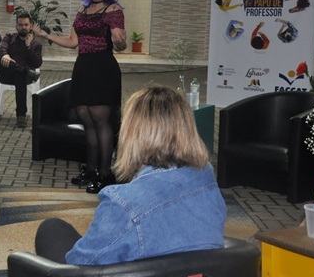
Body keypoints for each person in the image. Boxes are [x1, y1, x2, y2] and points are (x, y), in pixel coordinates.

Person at [34, 86, 225, 266]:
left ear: (133, 134)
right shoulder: (205, 177)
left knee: (51, 230)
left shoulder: (123, 202)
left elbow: (80, 265)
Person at [35, 0, 126, 193]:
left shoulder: (113, 10)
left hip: (103, 67)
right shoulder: (82, 11)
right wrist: (47, 36)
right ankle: (92, 169)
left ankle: (106, 174)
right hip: (83, 66)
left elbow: (120, 43)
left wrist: (120, 42)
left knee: (101, 121)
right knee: (86, 119)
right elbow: (73, 42)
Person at [0, 12, 42, 128]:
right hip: (8, 74)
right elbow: (2, 47)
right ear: (16, 26)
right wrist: (5, 55)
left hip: (24, 78)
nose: (23, 27)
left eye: (26, 25)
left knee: (20, 75)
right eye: (20, 25)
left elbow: (37, 63)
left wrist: (28, 47)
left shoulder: (36, 44)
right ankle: (24, 70)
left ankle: (21, 115)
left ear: (30, 26)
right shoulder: (9, 37)